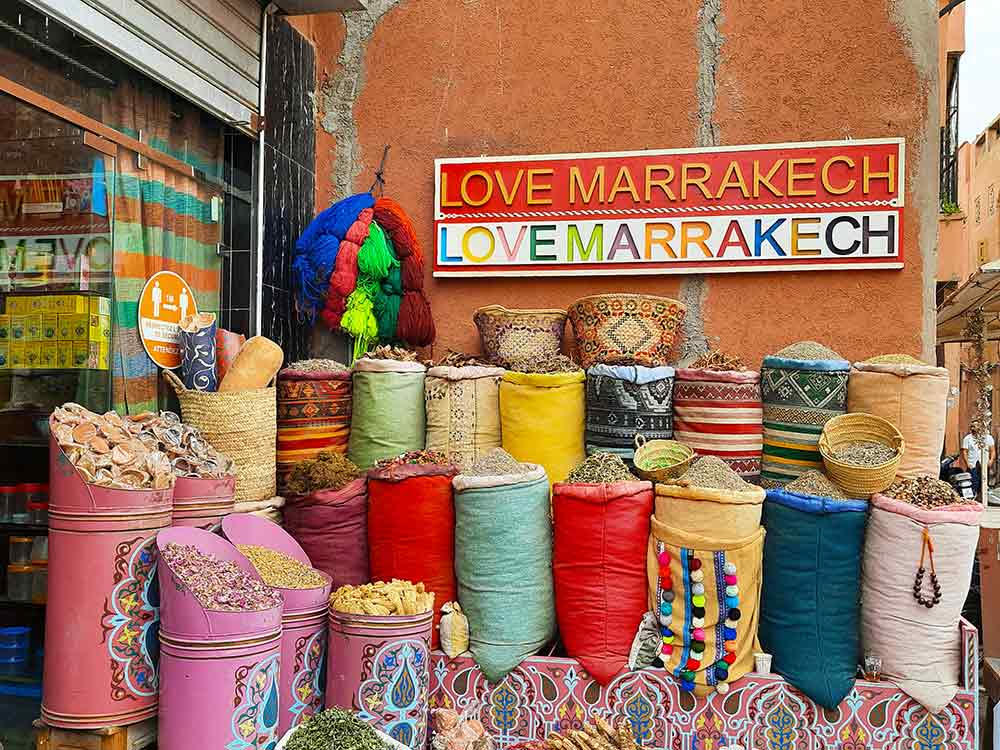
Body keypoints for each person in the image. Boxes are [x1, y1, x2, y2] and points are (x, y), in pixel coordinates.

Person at [961, 429, 996, 498]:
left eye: (976, 426)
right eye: (972, 426)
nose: (974, 428)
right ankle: (973, 497)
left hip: (984, 462)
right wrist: (967, 463)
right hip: (972, 462)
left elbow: (993, 450)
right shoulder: (967, 438)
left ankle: (982, 497)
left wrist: (991, 460)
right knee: (973, 481)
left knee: (983, 481)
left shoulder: (988, 437)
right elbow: (964, 452)